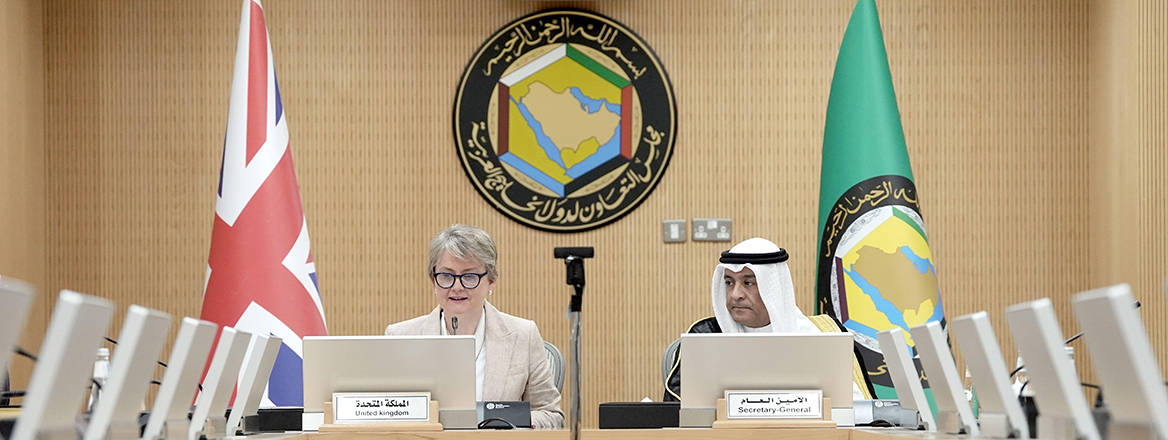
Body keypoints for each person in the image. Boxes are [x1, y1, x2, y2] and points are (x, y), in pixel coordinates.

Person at [385, 224, 564, 429]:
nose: (457, 286)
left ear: (491, 281)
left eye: (469, 276)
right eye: (446, 275)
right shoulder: (401, 336)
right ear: (433, 281)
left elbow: (552, 415)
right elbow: (388, 415)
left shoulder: (523, 335)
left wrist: (512, 422)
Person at [663, 237, 876, 401]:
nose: (735, 294)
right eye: (729, 282)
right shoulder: (706, 337)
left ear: (774, 288)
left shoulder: (822, 334)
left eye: (748, 283)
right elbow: (678, 415)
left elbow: (857, 411)